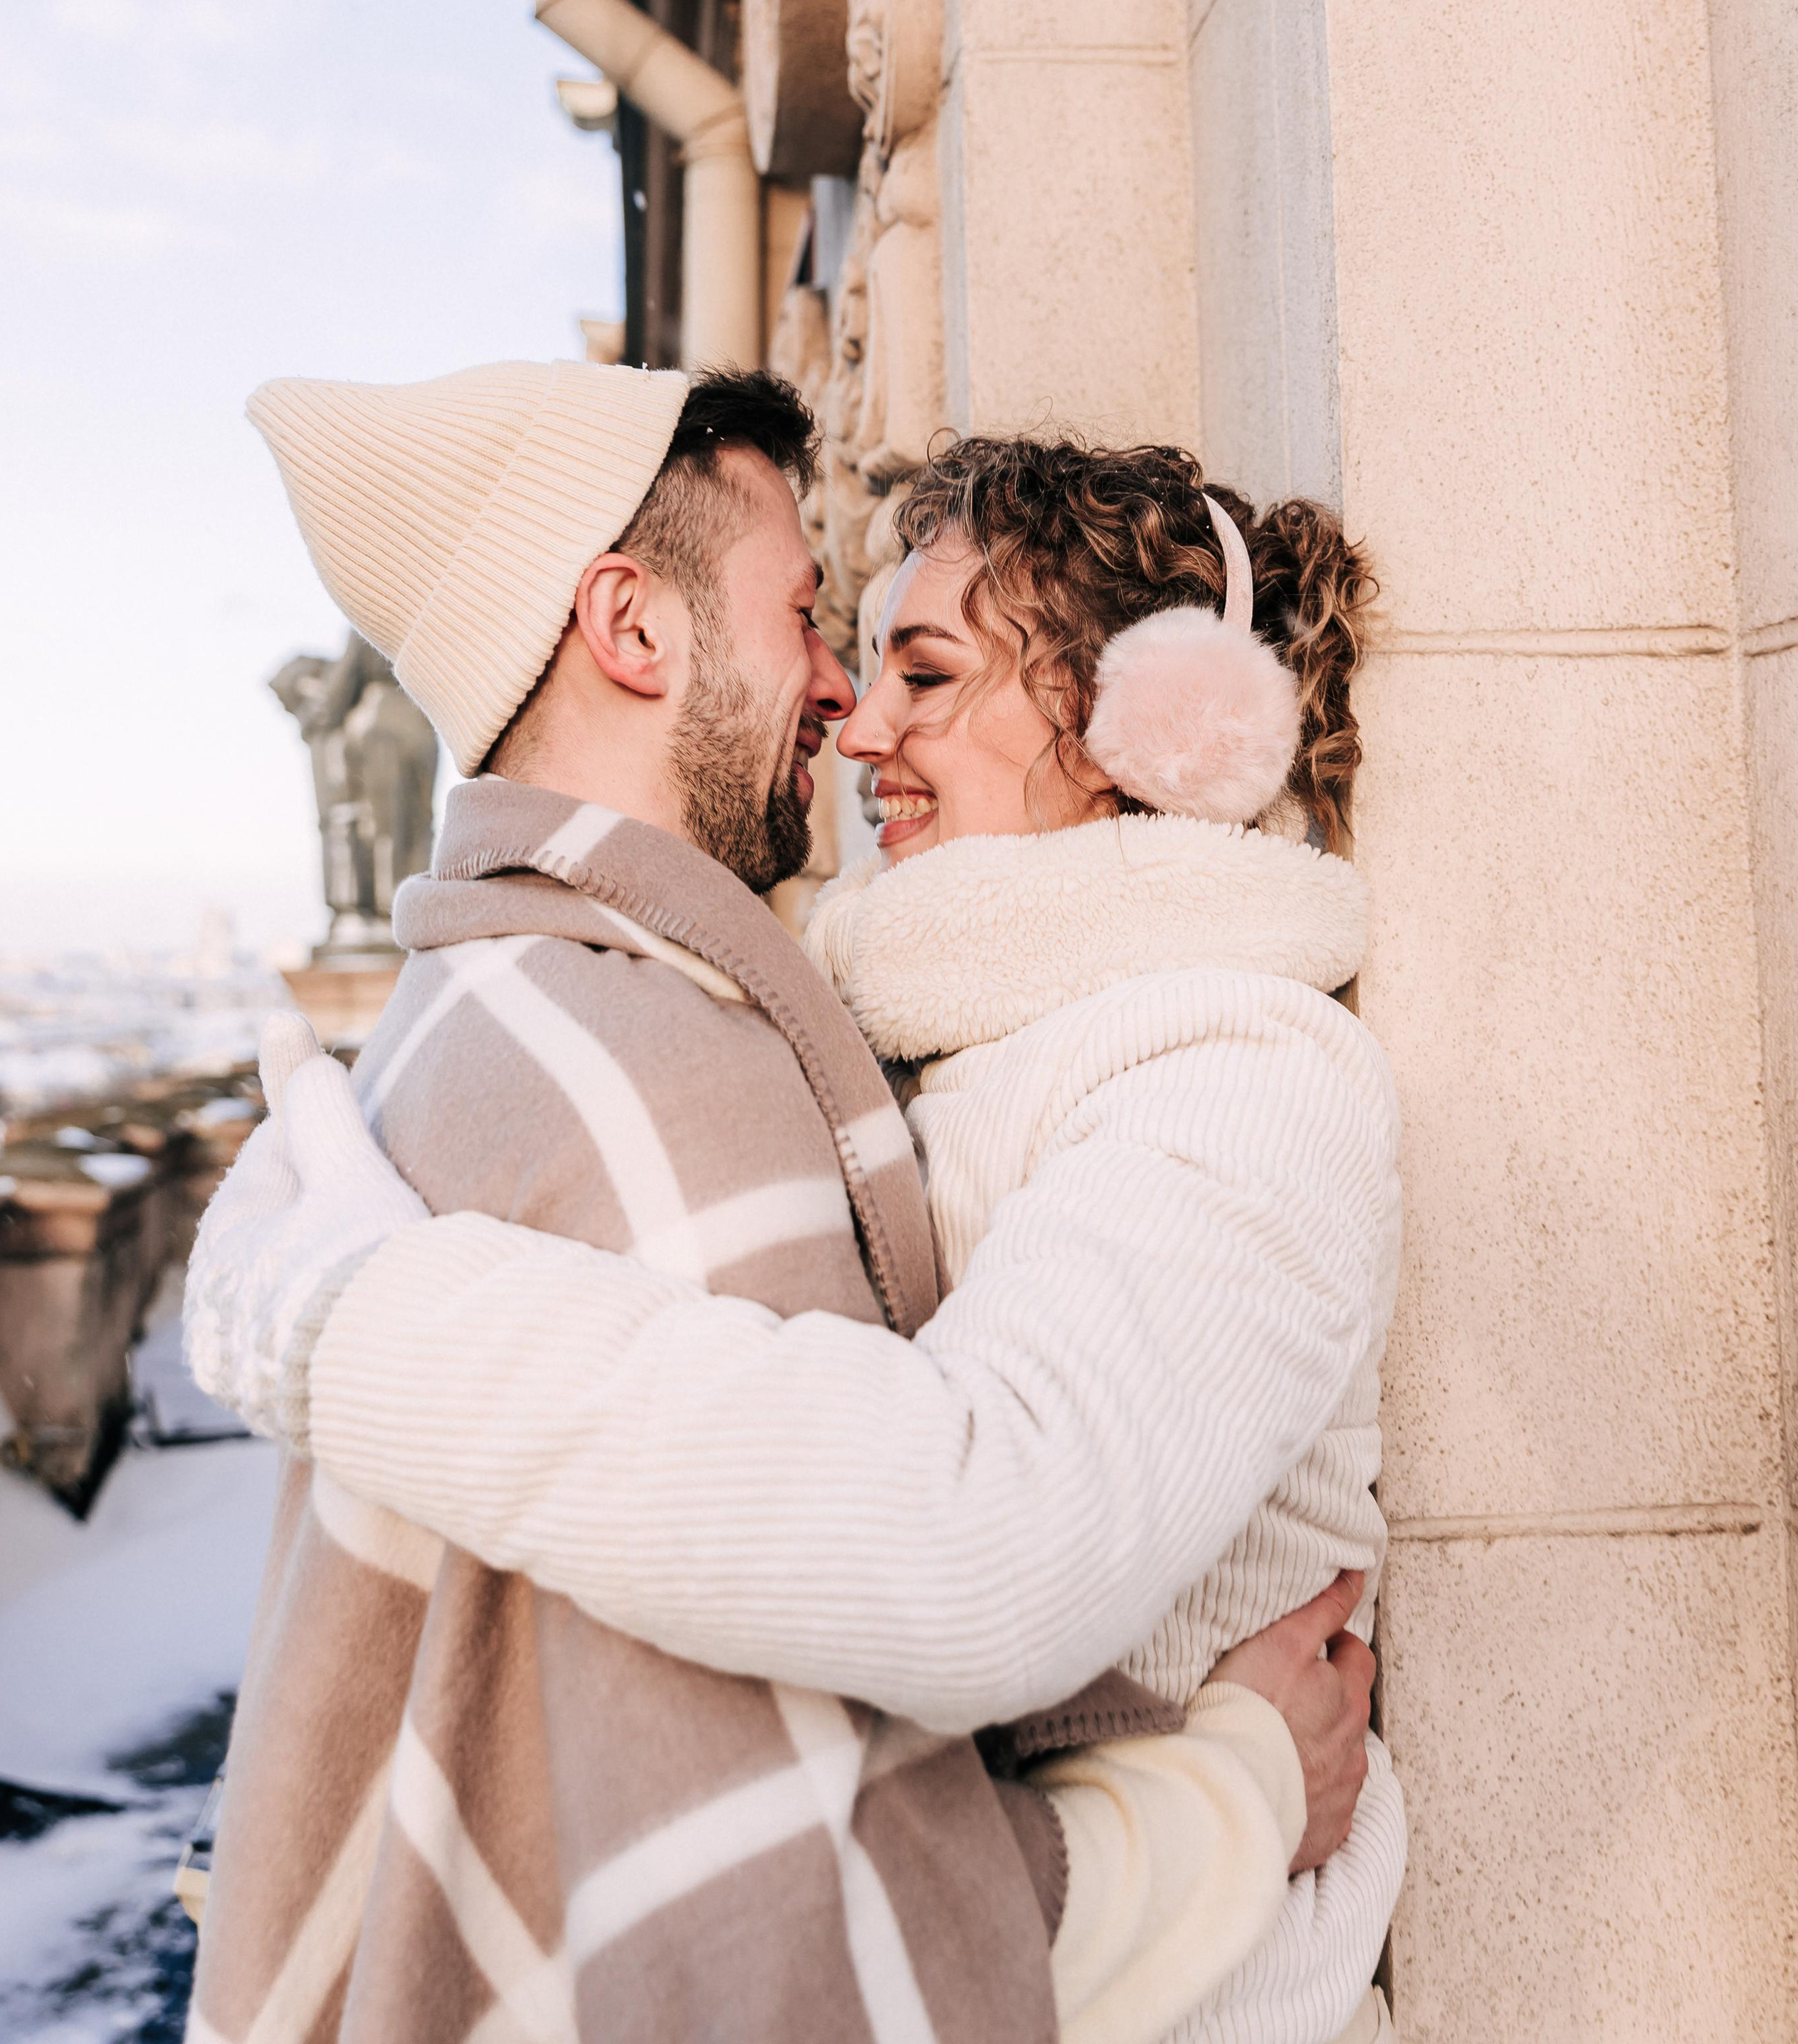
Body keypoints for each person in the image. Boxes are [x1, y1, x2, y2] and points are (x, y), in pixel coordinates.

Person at [191, 368, 1399, 2043]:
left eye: (925, 671)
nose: (858, 720)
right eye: (848, 645)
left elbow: (984, 1536)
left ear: (1152, 729)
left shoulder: (1239, 1077)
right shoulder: (871, 1058)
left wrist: (353, 1316)